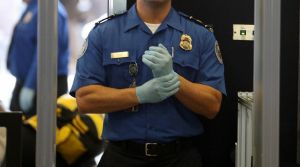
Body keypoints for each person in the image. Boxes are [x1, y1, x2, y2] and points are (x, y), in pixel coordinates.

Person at [70, 0, 226, 166]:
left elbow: (212, 106)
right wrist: (139, 94)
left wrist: (175, 80)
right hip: (122, 157)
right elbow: (85, 99)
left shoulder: (200, 35)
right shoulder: (104, 33)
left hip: (180, 158)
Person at [7, 0, 70, 116]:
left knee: (39, 130)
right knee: (14, 126)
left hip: (44, 83)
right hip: (26, 81)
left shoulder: (50, 10)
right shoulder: (32, 7)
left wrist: (30, 86)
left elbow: (45, 53)